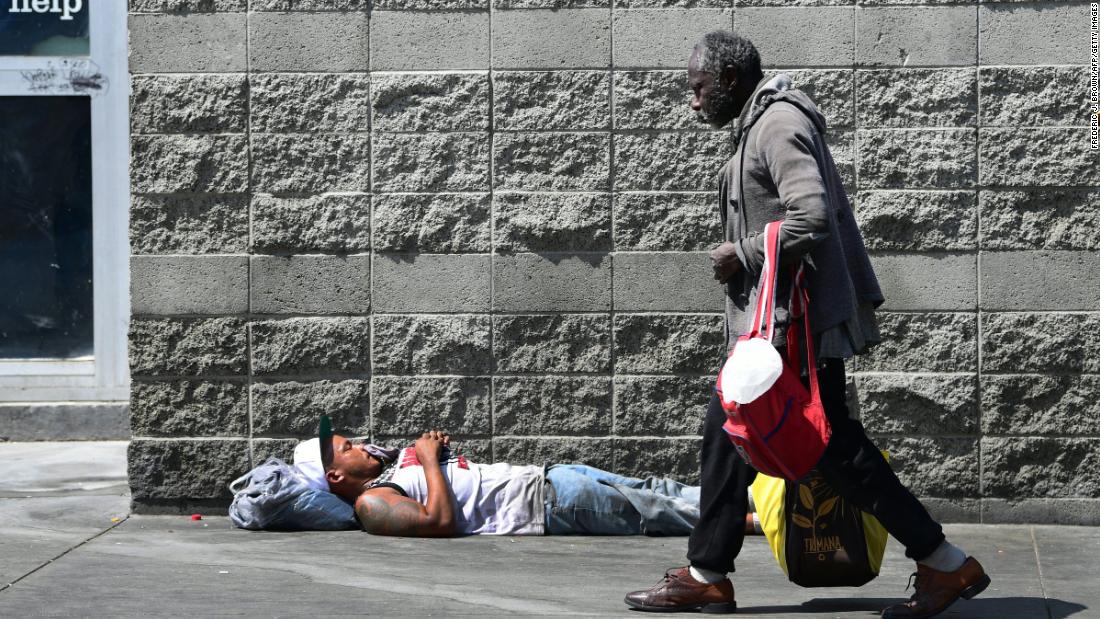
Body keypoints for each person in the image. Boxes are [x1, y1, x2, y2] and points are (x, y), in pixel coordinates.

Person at [623, 31, 990, 618]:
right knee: (733, 436)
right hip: (778, 332)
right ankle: (708, 573)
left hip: (792, 334)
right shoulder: (759, 124)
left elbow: (811, 216)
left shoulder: (778, 125)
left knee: (834, 449)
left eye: (698, 88)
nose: (692, 100)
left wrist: (740, 254)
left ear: (731, 80)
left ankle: (944, 561)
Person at [291, 416, 701, 538]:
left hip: (549, 478)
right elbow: (439, 521)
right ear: (336, 476)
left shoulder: (392, 468)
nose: (360, 446)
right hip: (547, 505)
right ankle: (754, 518)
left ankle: (757, 496)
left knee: (659, 492)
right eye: (348, 449)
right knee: (665, 511)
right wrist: (431, 460)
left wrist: (433, 449)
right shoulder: (371, 503)